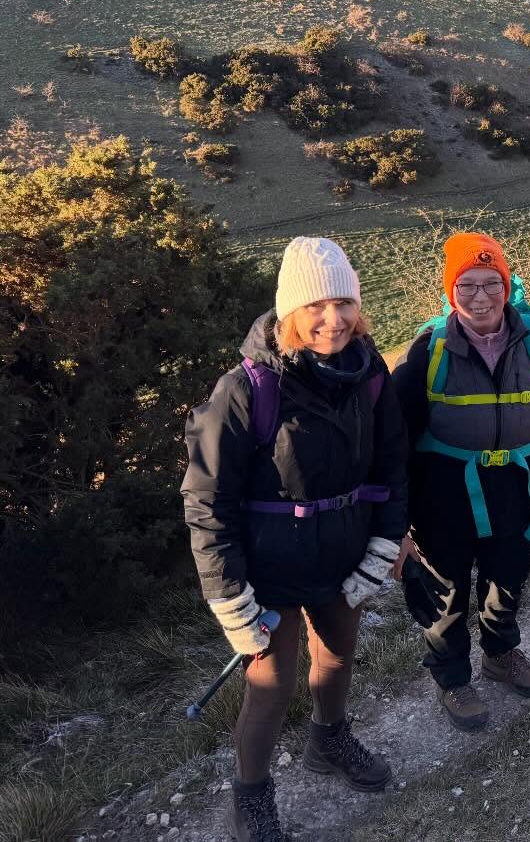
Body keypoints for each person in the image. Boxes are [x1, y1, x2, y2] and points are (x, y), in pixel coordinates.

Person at [182, 236, 408, 842]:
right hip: (267, 567)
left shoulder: (370, 375)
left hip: (343, 554)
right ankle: (250, 796)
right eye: (316, 306)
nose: (332, 320)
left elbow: (391, 467)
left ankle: (328, 743)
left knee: (337, 656)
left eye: (344, 304)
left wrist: (384, 546)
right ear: (290, 312)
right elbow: (207, 500)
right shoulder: (246, 389)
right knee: (271, 685)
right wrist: (228, 596)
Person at [391, 233, 530, 732]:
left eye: (491, 284)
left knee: (507, 580)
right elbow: (391, 447)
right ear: (449, 290)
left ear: (507, 284)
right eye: (467, 285)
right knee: (447, 593)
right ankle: (452, 677)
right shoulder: (426, 350)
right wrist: (394, 527)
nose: (480, 297)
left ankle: (500, 655)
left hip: (517, 491)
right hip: (442, 498)